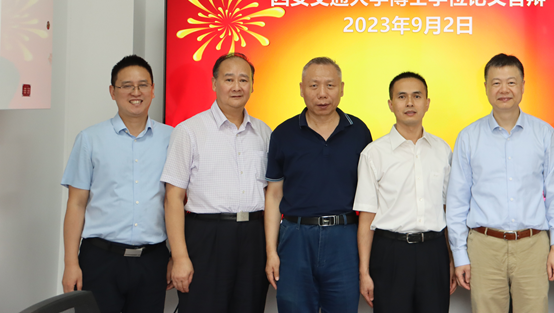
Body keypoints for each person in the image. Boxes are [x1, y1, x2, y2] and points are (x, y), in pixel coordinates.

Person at [446, 53, 554, 313]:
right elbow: (457, 201)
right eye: (496, 83)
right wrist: (459, 254)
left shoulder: (543, 133)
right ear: (486, 88)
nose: (504, 90)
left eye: (511, 82)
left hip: (533, 244)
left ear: (523, 85)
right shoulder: (468, 137)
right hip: (484, 245)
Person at [61, 55, 173, 313]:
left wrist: (176, 256)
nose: (136, 92)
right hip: (100, 260)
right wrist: (70, 263)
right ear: (113, 92)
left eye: (143, 85)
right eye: (127, 86)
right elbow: (76, 203)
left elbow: (176, 201)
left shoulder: (172, 138)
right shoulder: (90, 139)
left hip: (152, 260)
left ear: (153, 90)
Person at [162, 53, 271, 313]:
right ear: (214, 83)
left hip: (254, 236)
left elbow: (272, 193)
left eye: (243, 80)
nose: (236, 86)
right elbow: (173, 198)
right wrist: (179, 256)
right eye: (228, 79)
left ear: (252, 85)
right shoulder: (189, 130)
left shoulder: (264, 132)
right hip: (206, 236)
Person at [264, 57, 372, 313]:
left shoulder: (359, 132)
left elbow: (370, 197)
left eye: (330, 85)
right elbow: (274, 195)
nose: (322, 94)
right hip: (295, 237)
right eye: (314, 85)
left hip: (344, 237)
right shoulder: (283, 133)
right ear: (301, 89)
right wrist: (271, 251)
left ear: (342, 89)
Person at [354, 72, 457, 313]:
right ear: (391, 104)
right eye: (402, 97)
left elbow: (448, 209)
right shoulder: (373, 153)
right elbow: (366, 218)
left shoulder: (442, 150)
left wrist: (453, 259)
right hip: (390, 253)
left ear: (427, 103)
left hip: (434, 251)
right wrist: (364, 272)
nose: (410, 103)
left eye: (416, 96)